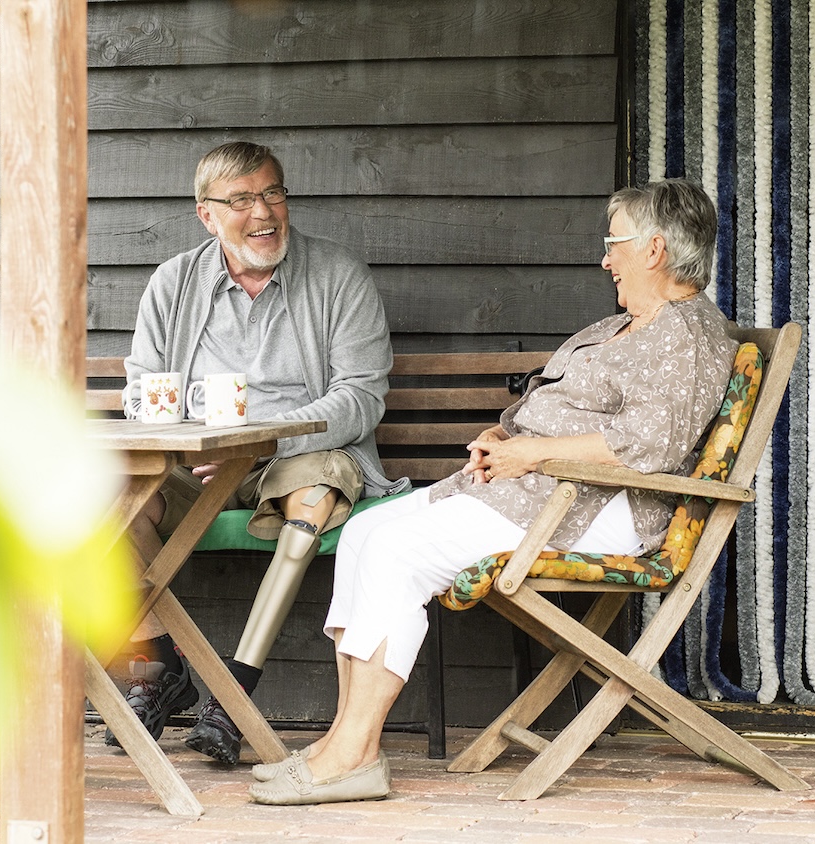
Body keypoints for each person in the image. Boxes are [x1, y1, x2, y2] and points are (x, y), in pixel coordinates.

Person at [247, 179, 741, 805]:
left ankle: (352, 755)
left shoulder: (685, 336)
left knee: (397, 551)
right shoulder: (625, 325)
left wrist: (531, 451)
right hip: (539, 490)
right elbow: (562, 407)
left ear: (654, 250)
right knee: (367, 531)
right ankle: (347, 741)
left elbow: (654, 447)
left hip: (593, 507)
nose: (605, 257)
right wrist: (505, 434)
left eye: (614, 242)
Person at [111, 141, 409, 765]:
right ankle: (157, 663)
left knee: (314, 492)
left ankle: (235, 689)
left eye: (273, 193)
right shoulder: (173, 283)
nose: (263, 212)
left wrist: (261, 437)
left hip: (300, 455)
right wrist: (191, 437)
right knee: (117, 495)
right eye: (241, 199)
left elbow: (359, 399)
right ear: (207, 214)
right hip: (202, 463)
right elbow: (143, 385)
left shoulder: (338, 276)